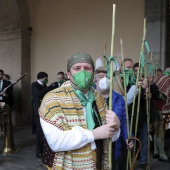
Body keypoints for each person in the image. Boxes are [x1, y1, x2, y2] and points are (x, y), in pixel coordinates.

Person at [39, 52, 121, 170]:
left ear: (93, 73)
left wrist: (116, 127)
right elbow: (55, 142)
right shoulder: (52, 99)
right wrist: (93, 134)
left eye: (87, 68)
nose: (82, 72)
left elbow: (107, 135)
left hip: (98, 162)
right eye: (77, 68)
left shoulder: (99, 98)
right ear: (68, 74)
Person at [94, 65, 133, 170]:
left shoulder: (119, 98)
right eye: (101, 76)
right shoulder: (90, 98)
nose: (105, 80)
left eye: (108, 77)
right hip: (97, 144)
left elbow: (124, 122)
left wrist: (128, 138)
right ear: (95, 80)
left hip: (115, 143)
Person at [31, 71, 49, 159]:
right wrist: (50, 88)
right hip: (38, 111)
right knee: (39, 132)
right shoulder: (34, 85)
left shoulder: (43, 85)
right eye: (46, 78)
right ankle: (39, 152)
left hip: (44, 110)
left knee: (44, 132)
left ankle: (44, 150)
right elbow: (38, 94)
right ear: (43, 77)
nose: (47, 79)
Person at [153, 69, 170, 162]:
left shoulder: (157, 78)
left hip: (154, 107)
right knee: (161, 130)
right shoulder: (168, 80)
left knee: (156, 129)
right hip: (163, 108)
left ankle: (155, 152)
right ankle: (162, 154)